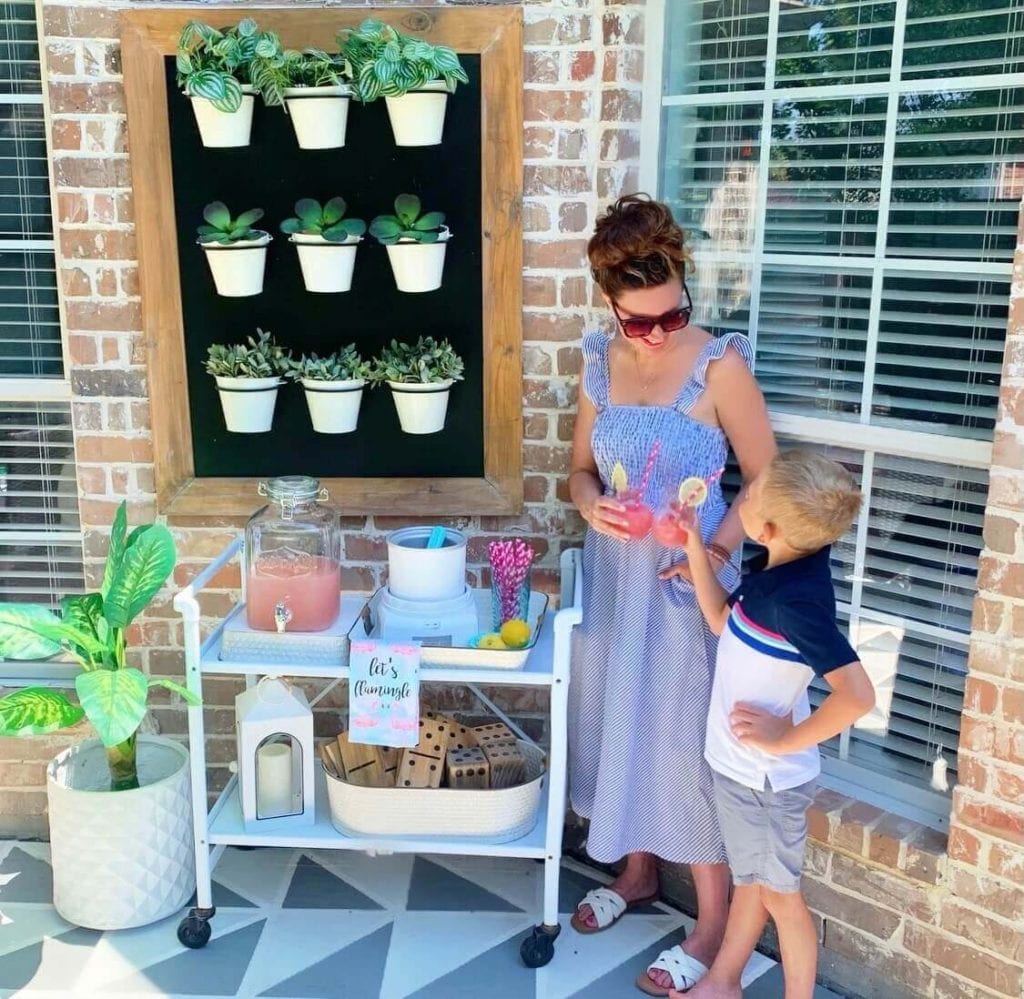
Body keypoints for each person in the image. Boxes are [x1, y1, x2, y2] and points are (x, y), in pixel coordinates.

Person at [567, 193, 776, 996]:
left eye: (669, 314)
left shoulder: (720, 364)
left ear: (682, 286)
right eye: (637, 320)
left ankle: (714, 922)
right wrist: (593, 505)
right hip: (616, 576)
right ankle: (637, 872)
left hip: (688, 589)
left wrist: (711, 553)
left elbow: (765, 480)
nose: (654, 332)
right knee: (620, 718)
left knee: (685, 744)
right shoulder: (598, 361)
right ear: (611, 303)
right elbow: (579, 473)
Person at [673, 449, 876, 999]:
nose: (742, 501)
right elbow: (720, 621)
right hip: (741, 771)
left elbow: (857, 696)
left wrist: (784, 737)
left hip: (767, 783)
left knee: (781, 897)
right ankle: (723, 981)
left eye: (750, 498)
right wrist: (695, 544)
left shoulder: (798, 602)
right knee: (754, 884)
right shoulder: (778, 570)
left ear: (767, 528)